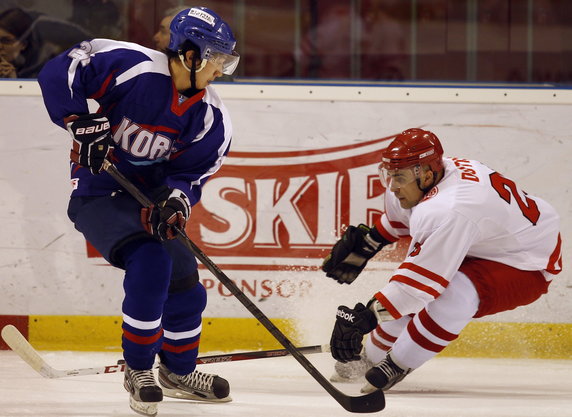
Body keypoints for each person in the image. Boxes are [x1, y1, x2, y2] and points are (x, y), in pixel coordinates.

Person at [37, 6, 240, 416]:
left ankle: (179, 371)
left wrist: (176, 200)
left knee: (184, 276)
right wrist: (79, 121)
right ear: (190, 54)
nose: (221, 69)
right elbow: (62, 69)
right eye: (216, 58)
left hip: (147, 200)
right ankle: (139, 368)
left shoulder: (210, 117)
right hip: (97, 194)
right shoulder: (133, 65)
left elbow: (193, 174)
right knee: (149, 261)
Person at [322, 128, 562, 392]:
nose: (392, 185)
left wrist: (367, 317)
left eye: (399, 177)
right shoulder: (430, 178)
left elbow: (417, 288)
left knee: (454, 294)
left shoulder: (450, 208)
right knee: (417, 296)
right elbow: (405, 216)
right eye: (389, 175)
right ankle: (372, 359)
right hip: (487, 243)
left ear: (425, 174)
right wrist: (373, 240)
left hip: (528, 260)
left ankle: (397, 364)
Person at [0, 7, 91, 78]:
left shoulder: (43, 72)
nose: (0, 46)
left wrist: (12, 80)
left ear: (23, 44)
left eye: (6, 41)